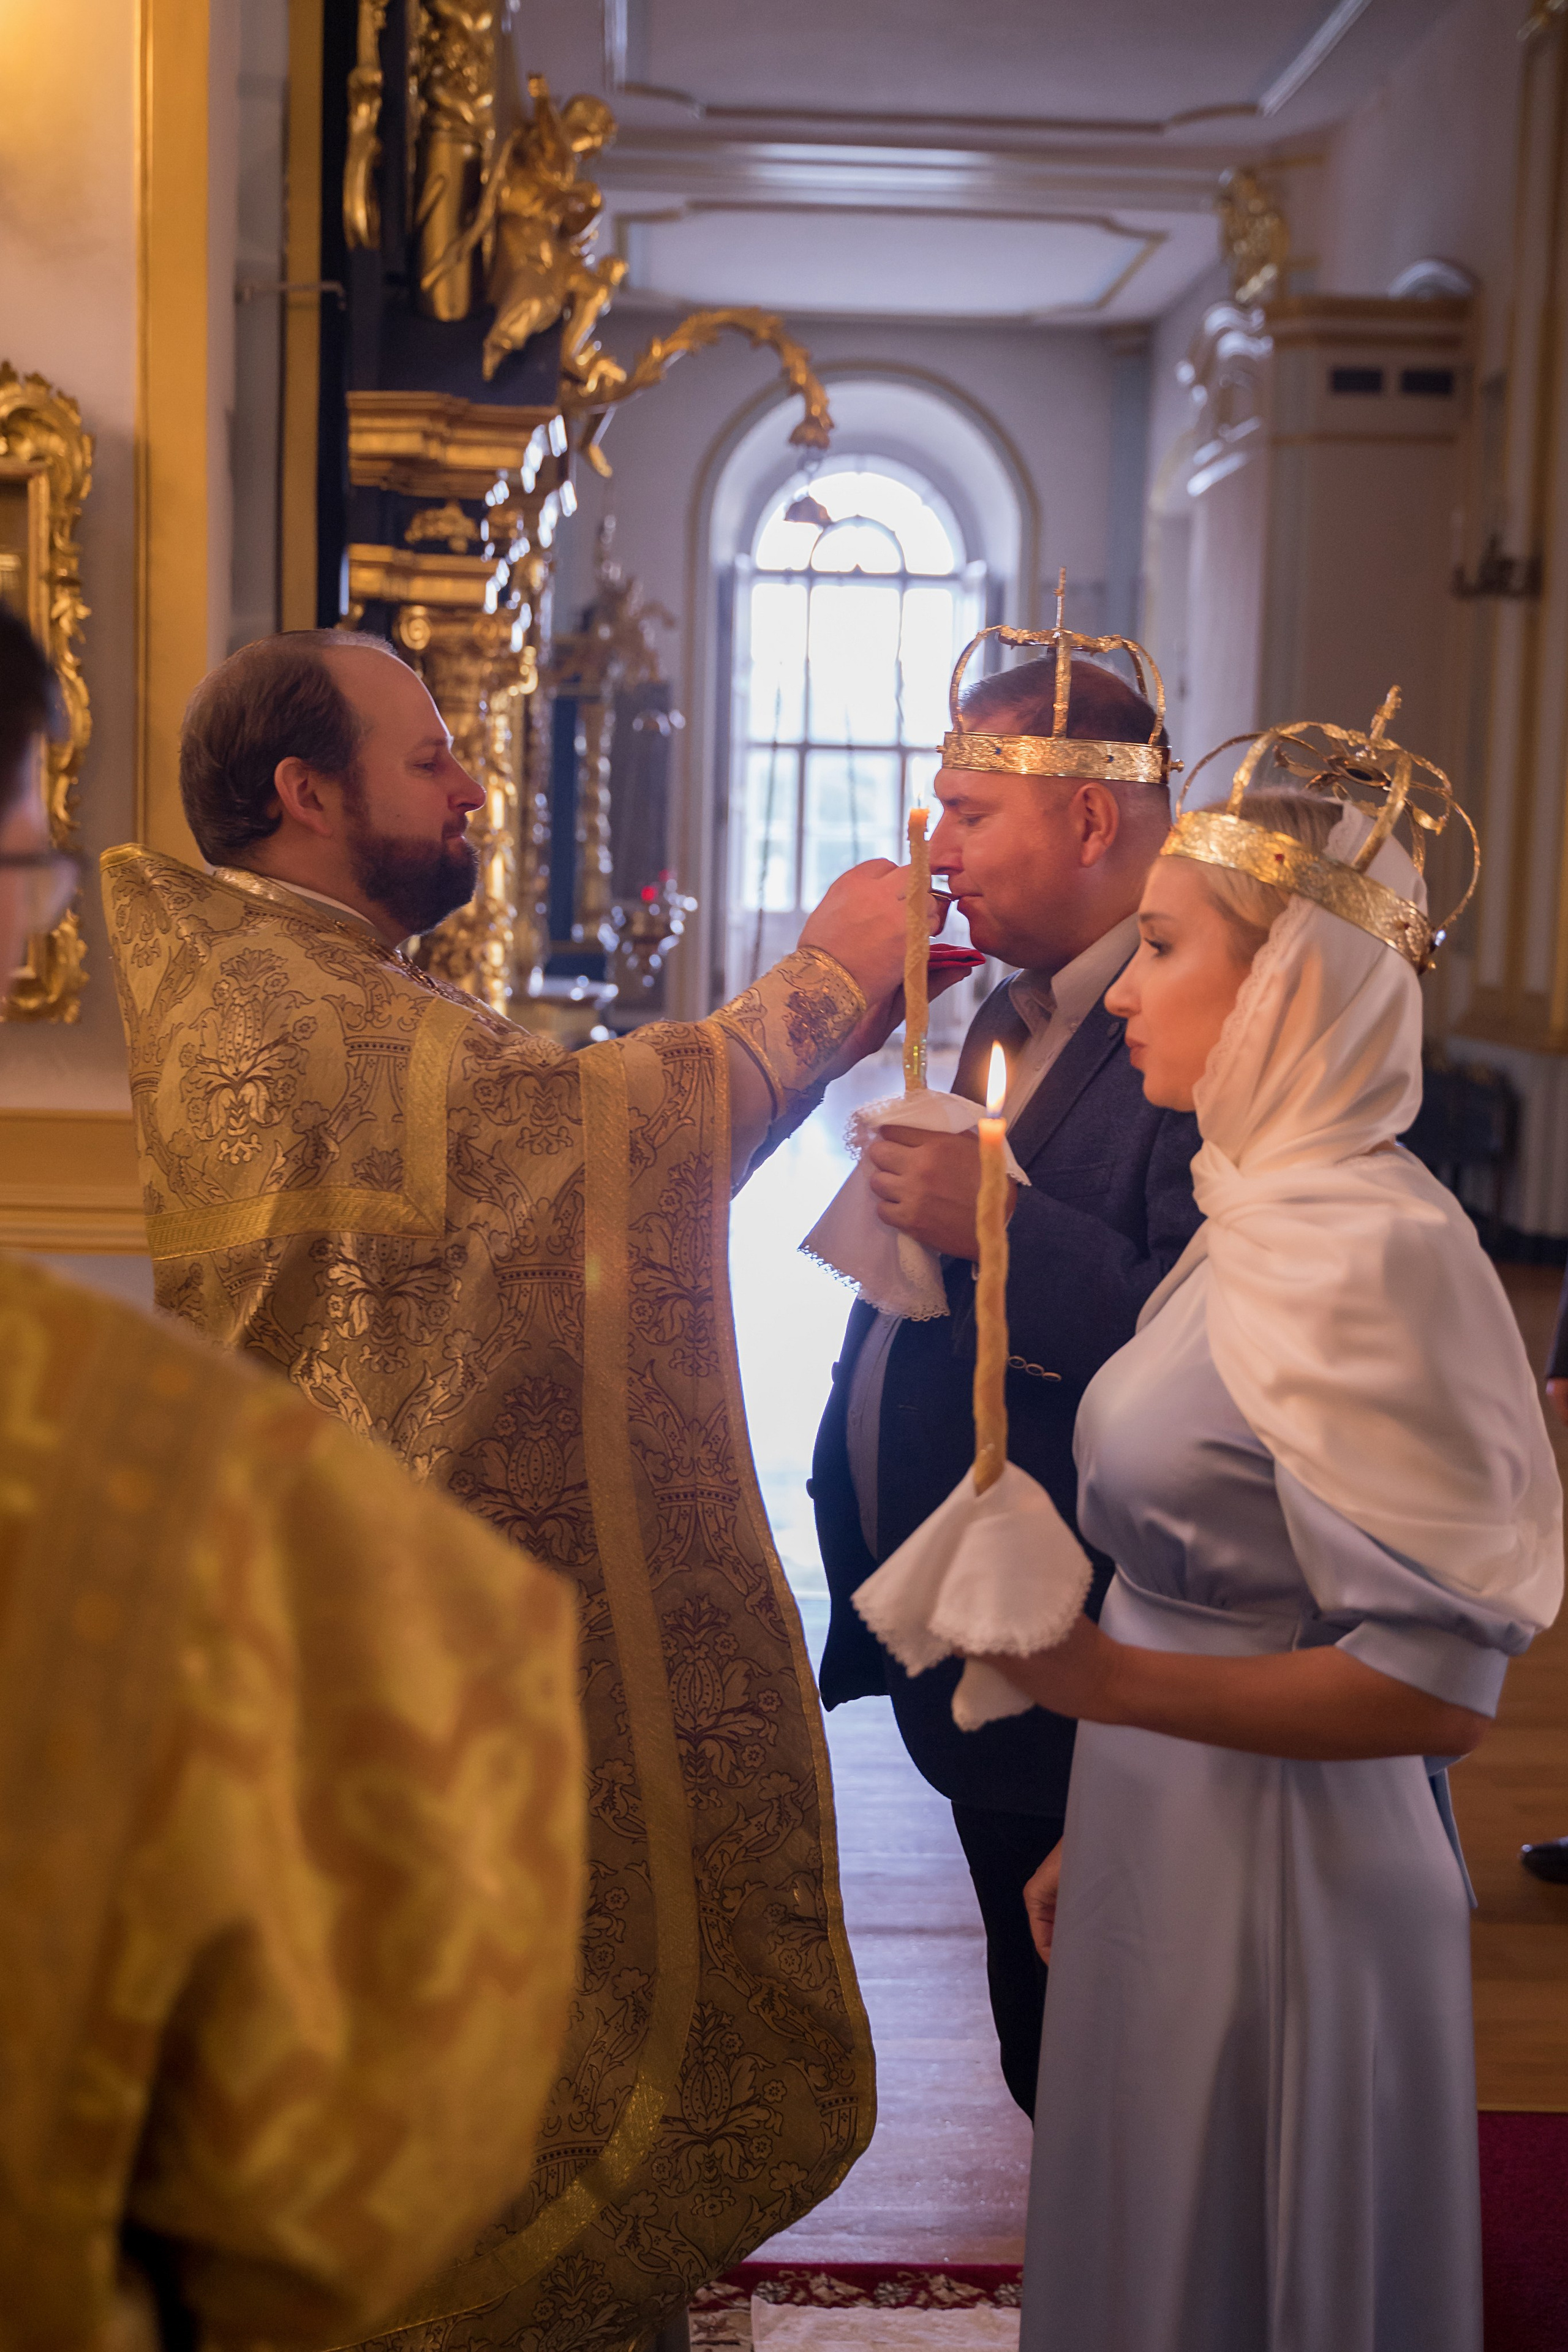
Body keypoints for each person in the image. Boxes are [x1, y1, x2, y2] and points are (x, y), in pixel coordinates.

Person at [100, 628, 921, 2349]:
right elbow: (563, 1144)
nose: (474, 784)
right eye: (429, 758)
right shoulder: (286, 1004)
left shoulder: (297, 977)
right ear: (304, 794)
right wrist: (830, 986)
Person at [0, 603, 586, 2350]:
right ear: (303, 793)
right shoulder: (101, 1462)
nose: (45, 905)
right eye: (24, 853)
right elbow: (329, 2191)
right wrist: (833, 990)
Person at [973, 737, 1562, 2351]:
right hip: (1173, 1827)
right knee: (1151, 2238)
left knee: (1245, 2262)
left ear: (1292, 988)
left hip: (1290, 1875)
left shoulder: (1366, 1252)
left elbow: (1436, 1695)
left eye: (1164, 949)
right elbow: (1226, 1562)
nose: (1119, 993)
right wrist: (1111, 1807)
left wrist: (1102, 1686)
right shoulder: (1255, 1210)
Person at [811, 619, 1201, 2113]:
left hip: (1086, 1641)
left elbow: (1204, 1334)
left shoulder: (1191, 1007)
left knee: (1098, 2064)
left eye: (968, 813)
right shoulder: (1008, 1001)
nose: (936, 846)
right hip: (972, 1634)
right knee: (1039, 2045)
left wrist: (992, 1233)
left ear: (1090, 816)